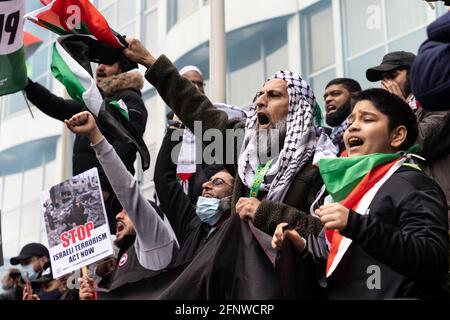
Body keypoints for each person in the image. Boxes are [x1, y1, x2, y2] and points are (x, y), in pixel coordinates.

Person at [123, 38, 323, 239]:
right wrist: (149, 61)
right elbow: (199, 112)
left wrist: (265, 213)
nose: (260, 101)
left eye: (274, 95)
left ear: (298, 109)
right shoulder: (248, 150)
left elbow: (326, 234)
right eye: (261, 94)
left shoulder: (319, 163)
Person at [273, 89, 449, 299]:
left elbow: (432, 259)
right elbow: (348, 274)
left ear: (397, 135)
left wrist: (356, 224)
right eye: (349, 123)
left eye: (367, 119)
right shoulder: (349, 190)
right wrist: (302, 248)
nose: (353, 127)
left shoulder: (412, 183)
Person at [24, 58, 148, 233]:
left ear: (123, 69)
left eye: (108, 62)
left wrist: (104, 185)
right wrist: (26, 84)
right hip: (85, 192)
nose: (100, 67)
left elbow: (126, 143)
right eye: (98, 63)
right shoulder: (94, 101)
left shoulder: (129, 98)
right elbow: (57, 105)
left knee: (108, 249)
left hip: (109, 195)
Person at [65, 111, 178, 298]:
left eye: (126, 211)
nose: (118, 215)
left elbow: (127, 189)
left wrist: (95, 136)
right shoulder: (120, 266)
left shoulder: (155, 243)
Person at [367, 51, 450, 228]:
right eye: (384, 79)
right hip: (414, 213)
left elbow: (419, 142)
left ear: (415, 74)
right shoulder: (391, 119)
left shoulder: (439, 102)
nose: (387, 84)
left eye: (392, 76)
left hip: (444, 210)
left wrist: (400, 107)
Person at [323, 78, 362, 152]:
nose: (328, 99)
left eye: (335, 94)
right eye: (325, 97)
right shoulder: (327, 141)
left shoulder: (363, 130)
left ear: (354, 97)